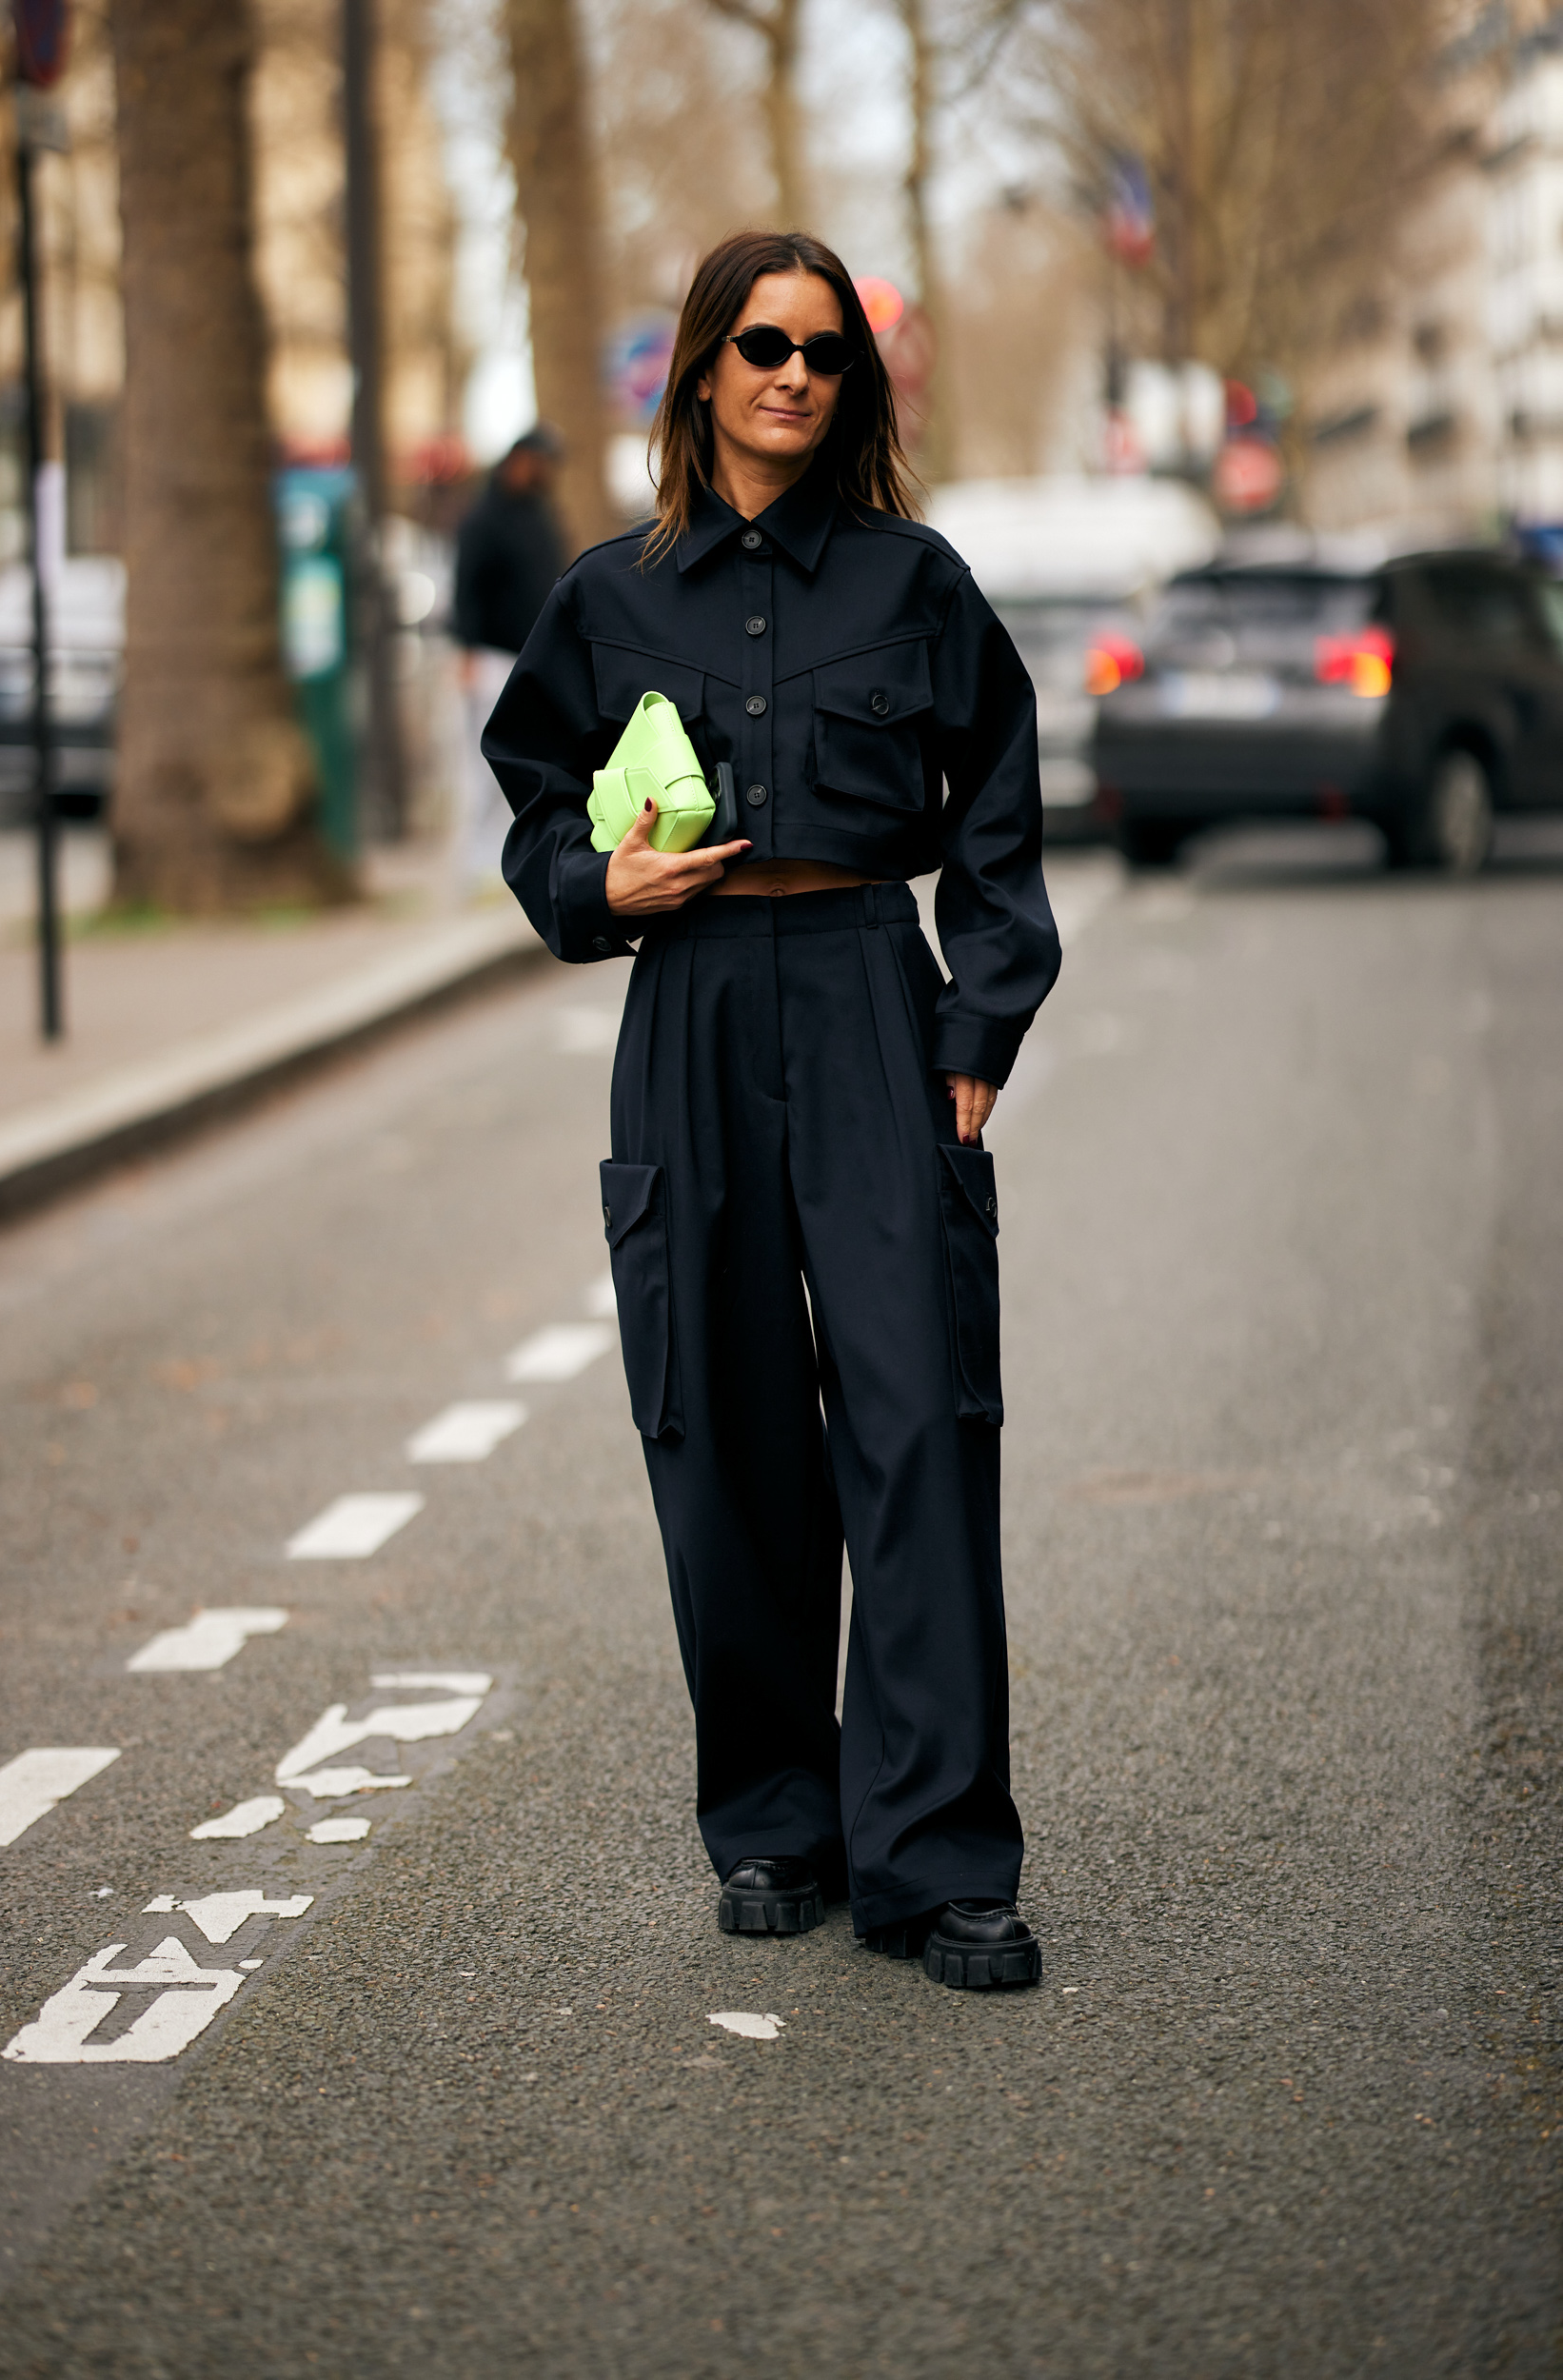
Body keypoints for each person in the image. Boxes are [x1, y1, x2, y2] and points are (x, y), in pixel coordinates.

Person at [482, 230, 1060, 1991]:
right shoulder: (610, 595)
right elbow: (528, 806)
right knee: (723, 1431)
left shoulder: (916, 580)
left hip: (874, 1006)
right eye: (760, 345)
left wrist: (976, 1021)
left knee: (915, 1423)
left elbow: (998, 808)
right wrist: (598, 890)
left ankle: (940, 1861)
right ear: (703, 372)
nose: (793, 373)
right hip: (693, 1012)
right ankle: (774, 1821)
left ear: (853, 378)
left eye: (821, 348)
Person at [451, 426, 566, 894]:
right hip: (492, 658)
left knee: (527, 760)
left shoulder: (537, 513)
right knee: (484, 765)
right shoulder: (483, 518)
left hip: (533, 657)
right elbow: (467, 590)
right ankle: (476, 864)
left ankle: (512, 856)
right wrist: (467, 650)